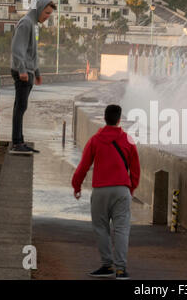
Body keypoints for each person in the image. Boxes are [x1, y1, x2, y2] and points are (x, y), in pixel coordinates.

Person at [72, 105, 141, 280]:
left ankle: (106, 265)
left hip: (100, 191)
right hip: (121, 190)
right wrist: (131, 188)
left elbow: (83, 166)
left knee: (101, 228)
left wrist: (77, 186)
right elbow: (136, 169)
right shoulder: (129, 140)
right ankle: (121, 269)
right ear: (119, 120)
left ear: (104, 118)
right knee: (121, 229)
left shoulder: (95, 140)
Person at [10, 0, 56, 154]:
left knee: (21, 107)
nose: (48, 16)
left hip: (28, 71)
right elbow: (17, 49)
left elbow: (32, 52)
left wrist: (36, 72)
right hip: (22, 72)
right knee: (20, 107)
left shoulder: (32, 24)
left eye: (50, 14)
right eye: (47, 12)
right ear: (40, 8)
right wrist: (22, 70)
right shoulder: (26, 23)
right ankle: (17, 143)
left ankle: (19, 141)